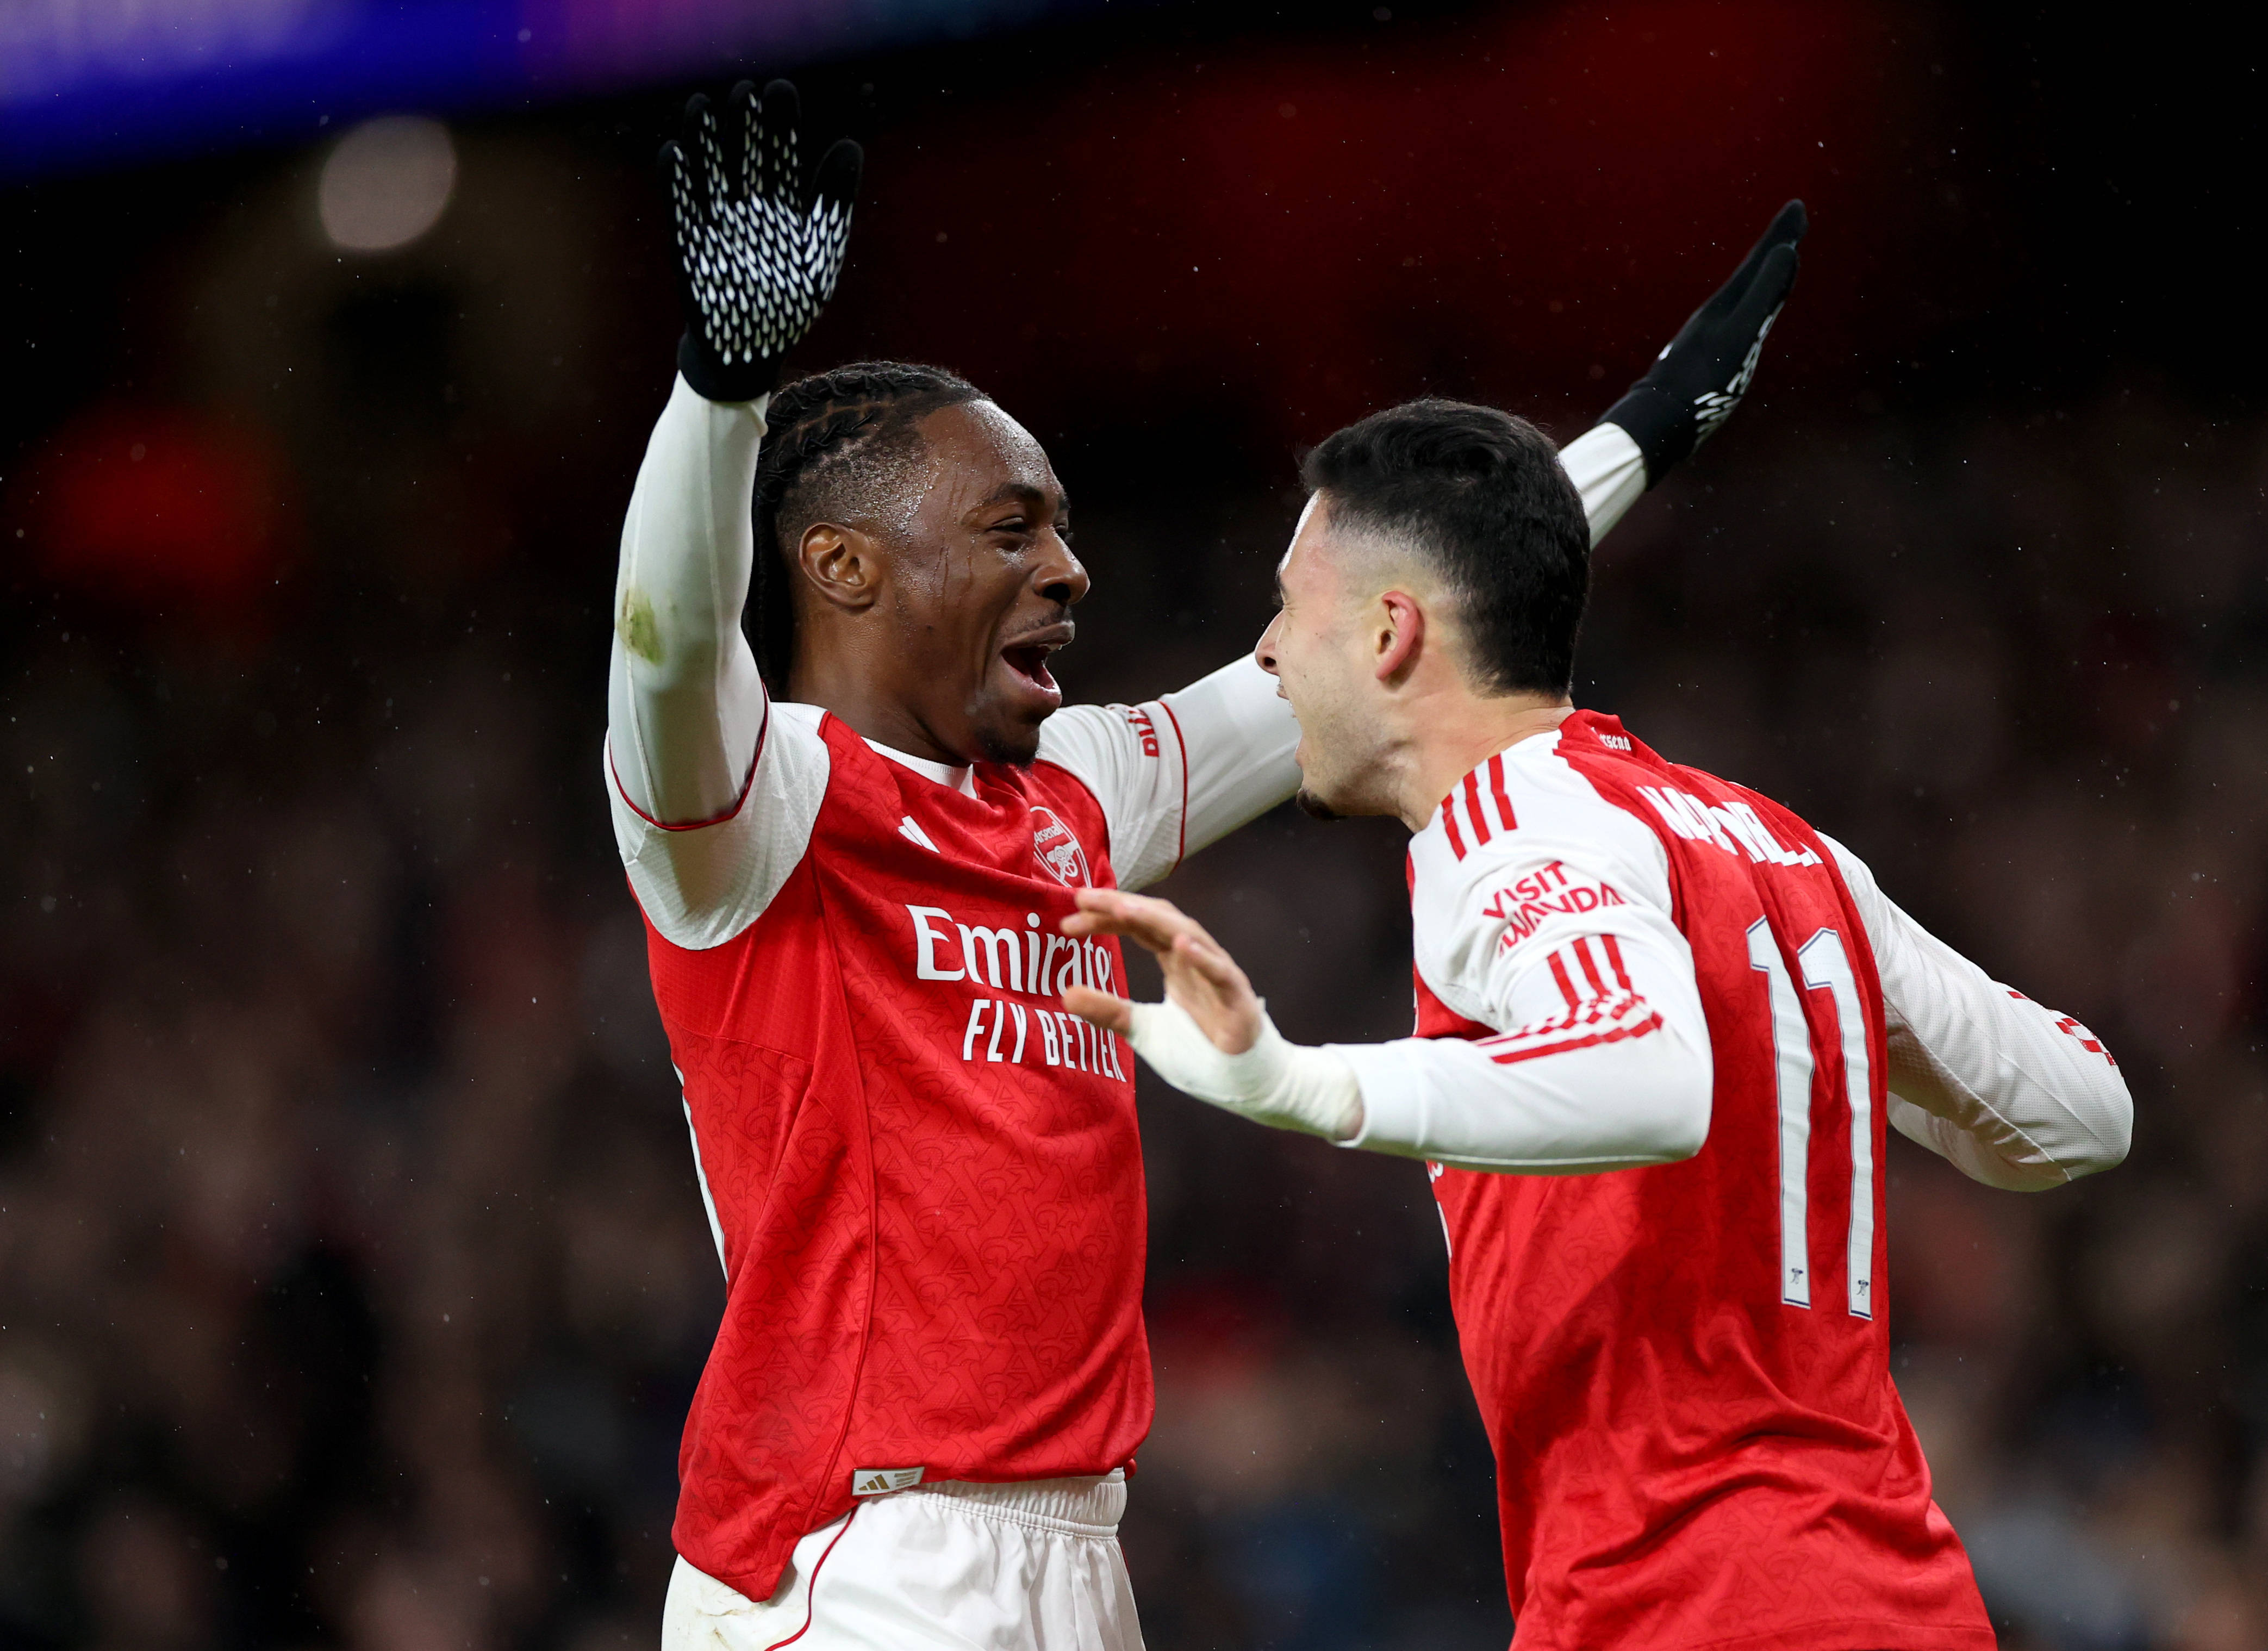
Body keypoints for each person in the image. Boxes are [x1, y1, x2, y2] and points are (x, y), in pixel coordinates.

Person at [618, 81, 1806, 1649]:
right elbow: (667, 645)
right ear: (842, 565)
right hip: (854, 1558)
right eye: (1011, 529)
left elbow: (1384, 630)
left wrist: (1643, 432)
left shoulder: (1078, 784)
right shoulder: (752, 808)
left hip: (1076, 1545)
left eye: (1061, 529)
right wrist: (718, 391)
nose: (1069, 569)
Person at [1061, 398, 2136, 1648]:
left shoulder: (1504, 824)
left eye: (1288, 612)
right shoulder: (1777, 845)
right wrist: (1805, 1038)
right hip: (1896, 1595)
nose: (1266, 656)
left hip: (1688, 1602)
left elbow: (1647, 1078)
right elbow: (2084, 1112)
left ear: (1390, 632)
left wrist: (1299, 1083)